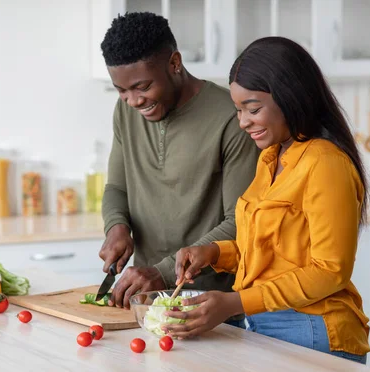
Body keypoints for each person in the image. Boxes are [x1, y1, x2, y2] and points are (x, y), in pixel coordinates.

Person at [164, 37, 370, 364]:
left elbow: (329, 271)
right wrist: (214, 252)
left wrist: (234, 303)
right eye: (238, 110)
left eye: (253, 108)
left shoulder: (325, 163)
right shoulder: (271, 158)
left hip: (312, 328)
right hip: (267, 323)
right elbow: (271, 249)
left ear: (291, 97)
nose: (243, 121)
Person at [98, 12, 261, 309]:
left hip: (214, 304)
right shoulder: (125, 112)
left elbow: (241, 221)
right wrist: (117, 227)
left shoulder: (231, 117)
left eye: (143, 87)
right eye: (122, 91)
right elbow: (117, 188)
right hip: (146, 301)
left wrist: (161, 272)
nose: (134, 101)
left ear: (175, 63)